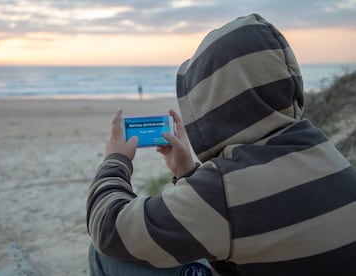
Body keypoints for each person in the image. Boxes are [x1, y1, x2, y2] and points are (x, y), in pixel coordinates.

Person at [86, 14, 356, 275]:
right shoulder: (326, 153)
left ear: (212, 101)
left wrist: (115, 161)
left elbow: (109, 228)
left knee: (105, 254)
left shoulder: (224, 189)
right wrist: (187, 173)